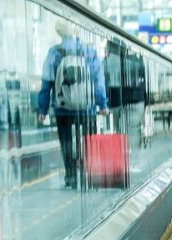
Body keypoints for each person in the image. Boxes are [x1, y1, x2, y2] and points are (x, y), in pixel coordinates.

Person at [37, 20, 108, 189]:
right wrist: (102, 104)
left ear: (59, 33)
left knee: (67, 142)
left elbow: (47, 83)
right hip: (87, 108)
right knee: (89, 141)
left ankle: (71, 177)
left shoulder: (54, 53)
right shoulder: (89, 52)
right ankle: (88, 174)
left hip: (62, 108)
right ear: (76, 31)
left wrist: (43, 109)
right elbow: (98, 82)